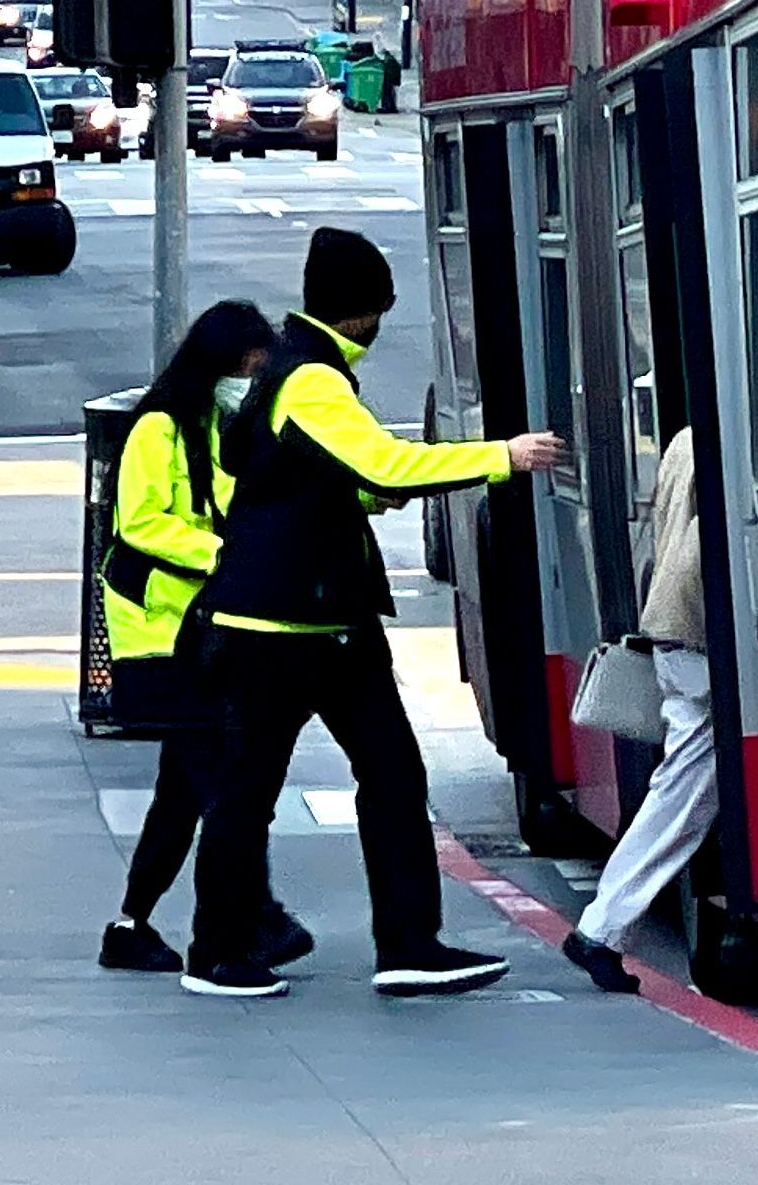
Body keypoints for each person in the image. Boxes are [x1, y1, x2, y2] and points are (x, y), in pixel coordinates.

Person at [180, 228, 562, 1000]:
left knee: (373, 777)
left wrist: (361, 496)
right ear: (362, 313)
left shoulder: (295, 371)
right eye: (381, 308)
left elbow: (308, 477)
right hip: (283, 629)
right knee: (274, 787)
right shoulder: (314, 380)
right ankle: (221, 952)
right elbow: (384, 460)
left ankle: (406, 946)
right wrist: (503, 456)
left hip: (322, 622)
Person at [96, 302, 312, 975]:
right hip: (160, 637)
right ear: (220, 361)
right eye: (250, 366)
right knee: (224, 789)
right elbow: (139, 522)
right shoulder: (157, 428)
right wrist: (220, 551)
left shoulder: (211, 426)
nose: (254, 378)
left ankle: (131, 924)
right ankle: (259, 918)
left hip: (199, 635)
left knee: (185, 793)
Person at [561, 426, 712, 995]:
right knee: (682, 799)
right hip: (695, 638)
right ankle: (601, 929)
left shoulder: (683, 438)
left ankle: (603, 928)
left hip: (671, 628)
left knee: (682, 792)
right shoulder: (729, 437)